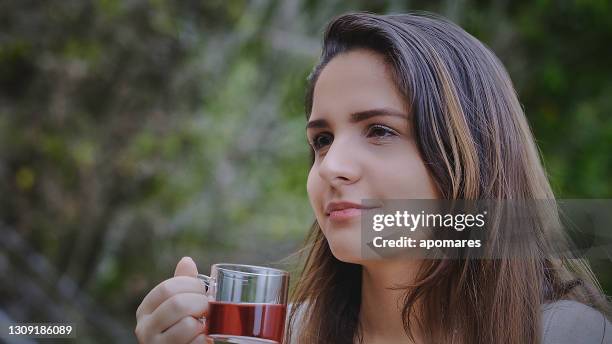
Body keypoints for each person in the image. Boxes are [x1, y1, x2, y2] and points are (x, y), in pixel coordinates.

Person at [135, 12, 611, 344]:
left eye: (379, 130)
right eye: (321, 139)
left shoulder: (569, 335)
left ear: (471, 156)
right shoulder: (278, 335)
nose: (331, 166)